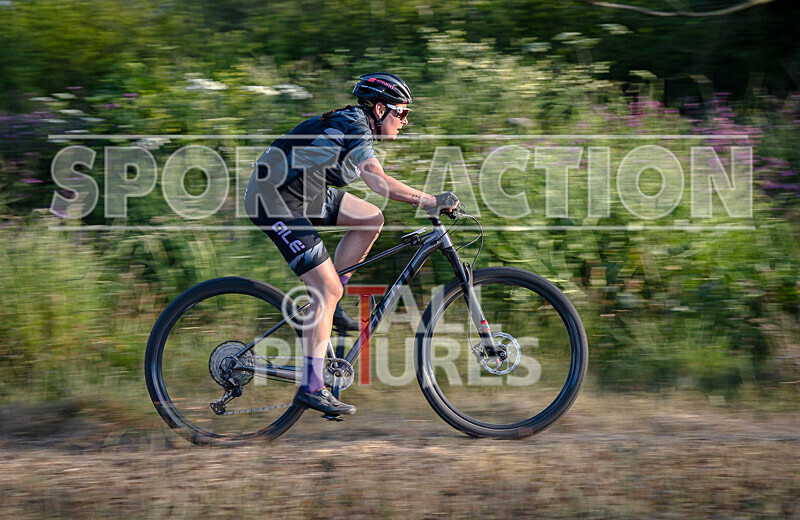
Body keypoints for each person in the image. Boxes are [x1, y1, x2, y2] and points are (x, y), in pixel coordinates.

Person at [244, 72, 459, 416]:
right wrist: (430, 200)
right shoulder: (356, 126)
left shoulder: (356, 124)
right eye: (401, 112)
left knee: (370, 219)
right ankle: (313, 387)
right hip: (272, 199)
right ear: (379, 108)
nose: (405, 120)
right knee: (325, 289)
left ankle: (332, 305)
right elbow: (376, 180)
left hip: (303, 192)